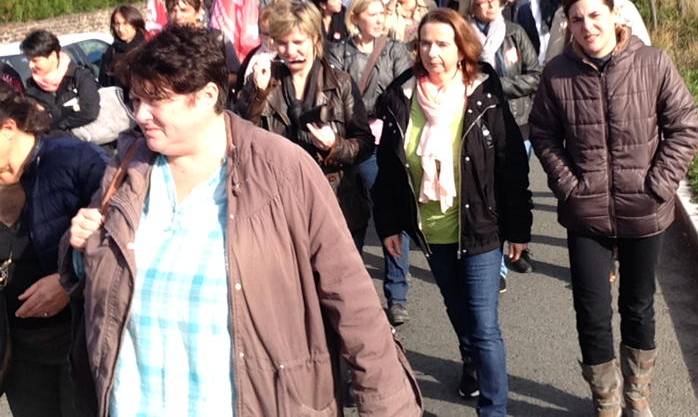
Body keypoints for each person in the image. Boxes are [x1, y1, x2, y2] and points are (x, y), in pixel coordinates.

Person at [61, 26, 421, 416]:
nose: (141, 114)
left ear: (207, 96)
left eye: (156, 100)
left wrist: (389, 407)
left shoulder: (283, 170)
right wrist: (82, 248)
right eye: (136, 99)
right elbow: (99, 274)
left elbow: (351, 298)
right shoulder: (127, 166)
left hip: (257, 401)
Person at [529, 0, 698, 417]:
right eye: (577, 18)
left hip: (644, 208)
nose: (587, 26)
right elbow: (544, 135)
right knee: (591, 310)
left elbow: (684, 125)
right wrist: (569, 185)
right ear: (567, 24)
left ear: (614, 15)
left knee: (638, 306)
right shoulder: (557, 75)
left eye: (595, 15)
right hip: (586, 214)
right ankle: (605, 400)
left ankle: (637, 397)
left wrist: (658, 184)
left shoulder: (652, 63)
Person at [373, 9, 532, 415]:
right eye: (425, 43)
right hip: (431, 228)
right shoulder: (400, 97)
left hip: (481, 226)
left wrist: (519, 228)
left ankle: (493, 410)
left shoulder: (484, 91)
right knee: (458, 313)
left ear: (462, 49)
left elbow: (511, 164)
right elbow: (389, 169)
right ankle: (472, 364)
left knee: (484, 325)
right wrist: (390, 223)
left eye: (443, 44)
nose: (432, 53)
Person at [0, 82, 107, 416]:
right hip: (17, 357)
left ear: (8, 128)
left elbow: (127, 237)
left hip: (80, 344)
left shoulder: (75, 161)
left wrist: (68, 281)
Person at [236, 0, 373, 249]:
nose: (290, 51)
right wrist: (258, 93)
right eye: (282, 43)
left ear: (315, 39)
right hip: (282, 205)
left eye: (298, 42)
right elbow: (240, 136)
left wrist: (335, 146)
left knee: (341, 284)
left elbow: (365, 143)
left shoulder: (340, 82)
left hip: (337, 204)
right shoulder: (264, 80)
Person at [326, 0, 413, 326]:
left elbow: (404, 94)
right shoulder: (338, 52)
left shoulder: (394, 50)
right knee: (353, 219)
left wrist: (377, 112)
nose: (379, 19)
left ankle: (397, 294)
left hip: (388, 144)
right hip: (351, 144)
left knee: (393, 216)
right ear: (356, 17)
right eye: (372, 13)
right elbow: (334, 98)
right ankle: (355, 292)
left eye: (382, 13)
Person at [460, 0, 541, 278]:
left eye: (493, 0)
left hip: (517, 124)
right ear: (471, 5)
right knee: (488, 190)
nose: (489, 6)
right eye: (481, 2)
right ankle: (496, 260)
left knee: (516, 184)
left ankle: (519, 243)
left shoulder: (515, 33)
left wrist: (495, 86)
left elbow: (534, 75)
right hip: (477, 126)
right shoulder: (463, 36)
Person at [21, 30, 100, 137]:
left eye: (35, 61)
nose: (30, 65)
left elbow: (90, 111)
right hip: (57, 148)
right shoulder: (32, 89)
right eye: (28, 60)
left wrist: (60, 124)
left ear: (52, 56)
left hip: (92, 145)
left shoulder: (78, 76)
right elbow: (38, 123)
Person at [99, 5, 146, 89]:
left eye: (125, 23)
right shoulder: (111, 52)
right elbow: (103, 82)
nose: (120, 29)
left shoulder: (146, 50)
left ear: (135, 24)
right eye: (117, 24)